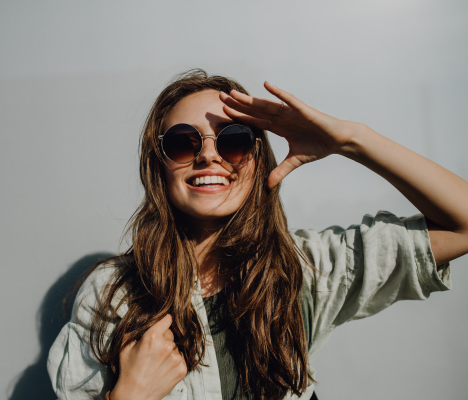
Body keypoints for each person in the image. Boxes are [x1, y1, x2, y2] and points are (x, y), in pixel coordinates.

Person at [47, 69, 468, 400]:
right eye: (182, 142)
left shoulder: (304, 269)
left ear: (258, 157)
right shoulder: (111, 296)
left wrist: (350, 140)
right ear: (157, 166)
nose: (208, 154)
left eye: (233, 140)